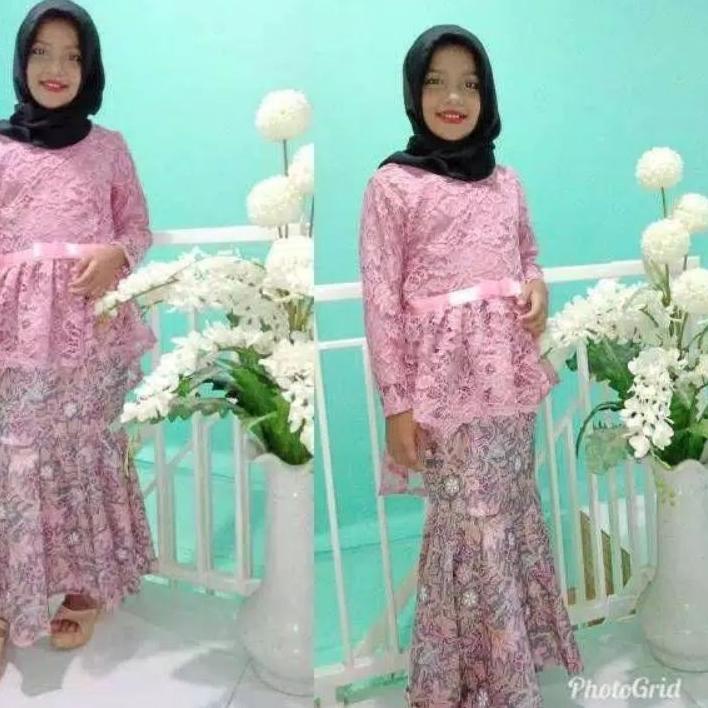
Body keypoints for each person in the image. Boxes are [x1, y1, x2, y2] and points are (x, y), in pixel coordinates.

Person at [359, 24, 583, 707]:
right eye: (436, 82)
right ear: (413, 92)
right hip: (443, 391)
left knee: (508, 509)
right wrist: (397, 403)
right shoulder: (393, 184)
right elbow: (381, 299)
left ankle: (502, 668)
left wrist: (536, 285)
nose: (453, 97)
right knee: (470, 521)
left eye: (469, 84)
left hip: (507, 382)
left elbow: (528, 254)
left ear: (487, 97)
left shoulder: (506, 182)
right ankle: (464, 679)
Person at [0, 0, 156, 660]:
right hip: (17, 331)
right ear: (20, 61)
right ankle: (11, 595)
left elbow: (137, 228)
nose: (56, 68)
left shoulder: (109, 147)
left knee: (85, 451)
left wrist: (117, 255)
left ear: (89, 68)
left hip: (92, 329)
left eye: (72, 55)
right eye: (41, 52)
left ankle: (83, 586)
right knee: (16, 453)